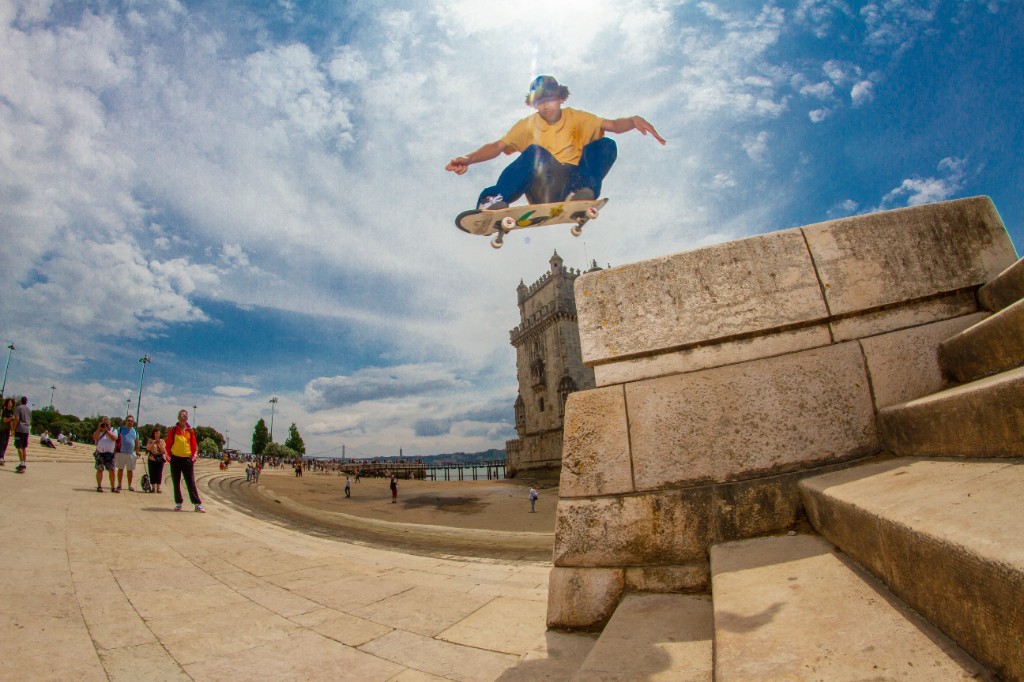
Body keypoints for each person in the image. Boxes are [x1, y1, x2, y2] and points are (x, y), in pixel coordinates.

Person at [445, 75, 666, 211]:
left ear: (561, 98)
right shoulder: (526, 125)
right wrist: (469, 159)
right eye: (540, 102)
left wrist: (633, 121)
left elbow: (612, 125)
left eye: (550, 99)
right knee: (535, 152)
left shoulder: (578, 118)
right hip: (543, 186)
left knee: (606, 145)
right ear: (534, 105)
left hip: (572, 183)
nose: (546, 106)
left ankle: (581, 192)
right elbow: (498, 146)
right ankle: (493, 198)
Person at [165, 409, 205, 512]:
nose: (183, 418)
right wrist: (169, 457)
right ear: (178, 418)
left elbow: (194, 446)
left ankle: (197, 504)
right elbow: (168, 444)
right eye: (181, 416)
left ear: (187, 418)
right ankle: (178, 503)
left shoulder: (190, 431)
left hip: (187, 459)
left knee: (190, 482)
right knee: (176, 482)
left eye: (185, 416)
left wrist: (192, 458)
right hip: (175, 459)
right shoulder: (173, 430)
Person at [114, 415, 140, 491]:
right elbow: (116, 440)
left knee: (130, 470)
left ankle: (130, 485)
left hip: (131, 453)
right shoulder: (120, 429)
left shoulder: (135, 431)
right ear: (126, 421)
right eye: (128, 420)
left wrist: (137, 452)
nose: (130, 422)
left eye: (131, 421)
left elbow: (137, 442)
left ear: (133, 422)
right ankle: (119, 484)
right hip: (121, 452)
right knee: (120, 469)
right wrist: (115, 451)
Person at [93, 417, 118, 492]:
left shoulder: (113, 430)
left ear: (110, 424)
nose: (106, 426)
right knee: (100, 470)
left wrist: (106, 430)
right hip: (100, 453)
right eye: (104, 424)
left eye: (107, 424)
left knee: (112, 471)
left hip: (110, 454)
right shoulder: (99, 431)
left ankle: (113, 487)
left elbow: (114, 438)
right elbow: (94, 438)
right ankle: (99, 486)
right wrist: (99, 428)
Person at [145, 426, 166, 494]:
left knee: (159, 473)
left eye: (158, 433)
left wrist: (159, 443)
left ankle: (158, 487)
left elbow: (164, 450)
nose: (157, 434)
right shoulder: (150, 440)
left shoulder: (162, 441)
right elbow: (148, 448)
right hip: (152, 458)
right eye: (156, 433)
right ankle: (153, 487)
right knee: (152, 473)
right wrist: (153, 443)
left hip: (159, 459)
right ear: (154, 433)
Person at [13, 396, 31, 473]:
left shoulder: (18, 408)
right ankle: (23, 463)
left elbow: (16, 418)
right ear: (26, 402)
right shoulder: (29, 410)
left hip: (20, 429)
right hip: (26, 430)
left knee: (19, 446)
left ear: (21, 401)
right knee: (24, 447)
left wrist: (14, 429)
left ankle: (22, 464)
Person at [0, 397, 15, 466]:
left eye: (11, 403)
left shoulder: (11, 412)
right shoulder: (4, 411)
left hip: (7, 430)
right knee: (2, 443)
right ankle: (1, 457)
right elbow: (4, 420)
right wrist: (11, 418)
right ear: (6, 403)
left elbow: (11, 422)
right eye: (9, 403)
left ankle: (2, 457)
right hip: (2, 429)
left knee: (5, 444)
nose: (10, 404)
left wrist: (12, 431)